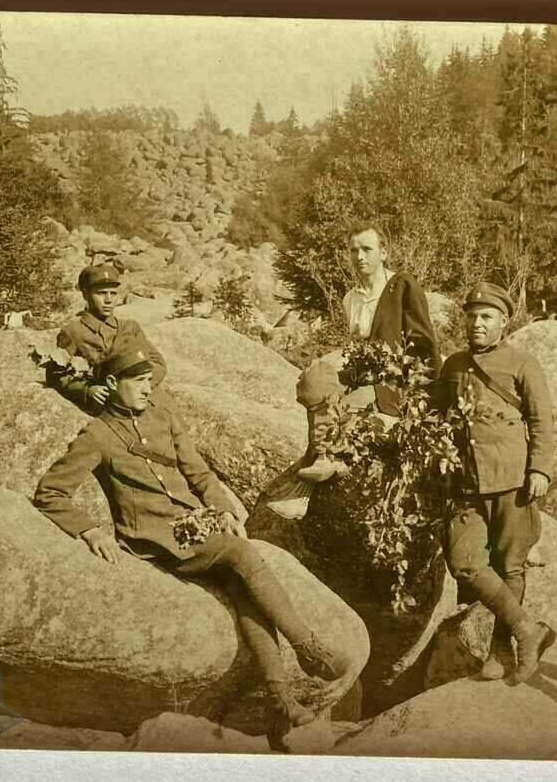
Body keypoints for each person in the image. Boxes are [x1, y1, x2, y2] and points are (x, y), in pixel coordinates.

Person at [34, 347, 352, 749]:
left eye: (151, 380)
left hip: (194, 529)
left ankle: (281, 700)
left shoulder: (164, 417)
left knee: (242, 590)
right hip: (154, 539)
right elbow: (50, 492)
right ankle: (308, 647)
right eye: (138, 382)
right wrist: (89, 530)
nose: (148, 389)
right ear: (113, 385)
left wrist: (223, 508)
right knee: (242, 555)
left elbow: (198, 472)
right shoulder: (97, 434)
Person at [434, 282, 557, 683]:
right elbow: (438, 419)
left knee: (510, 566)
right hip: (465, 483)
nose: (476, 324)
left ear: (504, 322)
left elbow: (541, 420)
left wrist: (539, 469)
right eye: (471, 316)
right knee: (466, 564)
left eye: (486, 317)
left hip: (511, 480)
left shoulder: (523, 363)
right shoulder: (452, 365)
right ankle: (527, 629)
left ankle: (501, 651)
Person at [295, 225, 441, 484]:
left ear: (383, 253)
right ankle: (320, 455)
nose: (359, 256)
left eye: (366, 249)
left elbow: (423, 342)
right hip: (361, 372)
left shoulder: (402, 286)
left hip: (394, 379)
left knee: (344, 407)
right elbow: (355, 346)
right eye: (353, 251)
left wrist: (427, 391)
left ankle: (330, 456)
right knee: (314, 380)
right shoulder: (351, 298)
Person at [47, 264, 167, 414]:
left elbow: (158, 364)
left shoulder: (130, 328)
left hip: (137, 402)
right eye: (101, 293)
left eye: (113, 293)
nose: (109, 300)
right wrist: (87, 390)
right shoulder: (73, 332)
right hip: (104, 408)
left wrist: (139, 386)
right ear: (85, 294)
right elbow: (55, 376)